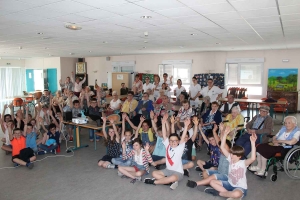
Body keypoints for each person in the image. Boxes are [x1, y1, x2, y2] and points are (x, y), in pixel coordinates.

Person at [204, 126, 257, 199]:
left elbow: (253, 158)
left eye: (234, 155)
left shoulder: (243, 163)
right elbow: (222, 147)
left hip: (239, 187)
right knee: (212, 182)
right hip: (229, 184)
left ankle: (221, 193)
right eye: (231, 154)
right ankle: (228, 194)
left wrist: (253, 143)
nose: (231, 156)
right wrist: (225, 134)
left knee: (237, 194)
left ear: (239, 156)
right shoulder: (230, 158)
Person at [143, 114, 187, 190]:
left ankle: (154, 182)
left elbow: (183, 137)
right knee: (154, 173)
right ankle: (170, 181)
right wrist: (163, 124)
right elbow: (164, 134)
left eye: (175, 141)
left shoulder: (180, 147)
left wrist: (186, 126)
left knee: (173, 177)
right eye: (171, 140)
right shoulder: (167, 145)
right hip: (168, 170)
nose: (173, 142)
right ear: (169, 141)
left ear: (178, 141)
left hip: (178, 172)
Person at [186, 124, 232, 191]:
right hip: (218, 171)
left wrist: (222, 133)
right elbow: (221, 143)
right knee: (205, 172)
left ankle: (197, 183)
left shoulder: (229, 156)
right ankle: (211, 184)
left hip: (225, 175)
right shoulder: (222, 152)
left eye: (224, 148)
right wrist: (221, 131)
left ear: (229, 149)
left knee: (211, 175)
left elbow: (222, 144)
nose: (221, 149)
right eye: (221, 148)